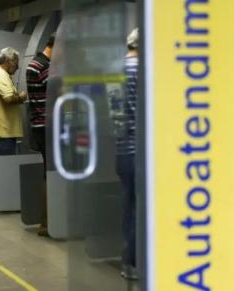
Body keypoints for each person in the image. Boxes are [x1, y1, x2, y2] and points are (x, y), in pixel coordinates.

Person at [110, 28, 139, 280]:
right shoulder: (142, 69)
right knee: (143, 208)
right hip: (140, 150)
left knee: (130, 206)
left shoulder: (116, 70)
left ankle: (128, 260)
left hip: (122, 150)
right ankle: (136, 260)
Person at [26, 35, 55, 236]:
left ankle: (47, 222)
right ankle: (47, 222)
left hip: (38, 124)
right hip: (48, 126)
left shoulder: (33, 64)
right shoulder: (45, 68)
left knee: (48, 172)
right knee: (50, 173)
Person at [0, 47, 27, 155]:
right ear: (8, 61)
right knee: (6, 168)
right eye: (16, 62)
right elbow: (9, 98)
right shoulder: (1, 76)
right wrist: (21, 97)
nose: (17, 67)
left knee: (3, 168)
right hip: (3, 132)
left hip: (2, 132)